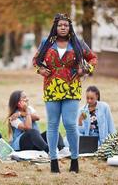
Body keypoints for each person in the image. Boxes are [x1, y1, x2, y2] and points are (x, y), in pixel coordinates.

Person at [33, 13, 97, 173]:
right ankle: (53, 161)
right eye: (60, 25)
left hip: (72, 89)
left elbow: (93, 58)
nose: (63, 28)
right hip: (51, 89)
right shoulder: (46, 43)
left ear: (70, 27)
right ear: (55, 27)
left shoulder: (78, 43)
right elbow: (35, 60)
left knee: (70, 124)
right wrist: (40, 69)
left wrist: (85, 69)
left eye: (66, 25)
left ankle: (74, 160)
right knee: (52, 125)